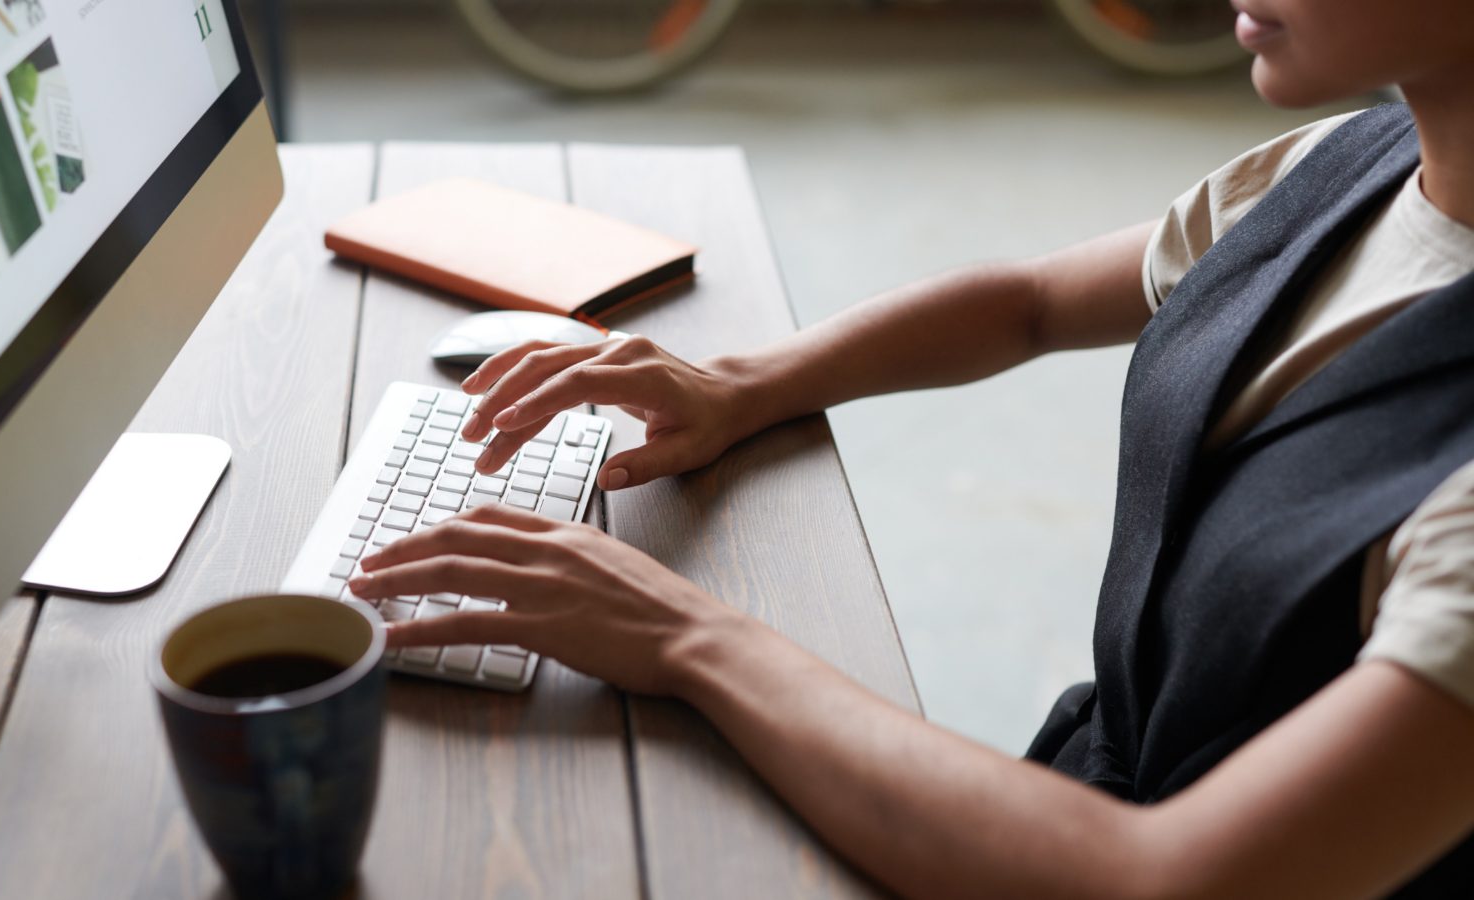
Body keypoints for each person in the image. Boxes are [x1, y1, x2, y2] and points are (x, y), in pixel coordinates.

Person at [349, 1, 1474, 895]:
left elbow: (1161, 879)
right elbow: (1030, 303)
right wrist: (738, 383)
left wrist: (685, 636)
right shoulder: (1350, 167)